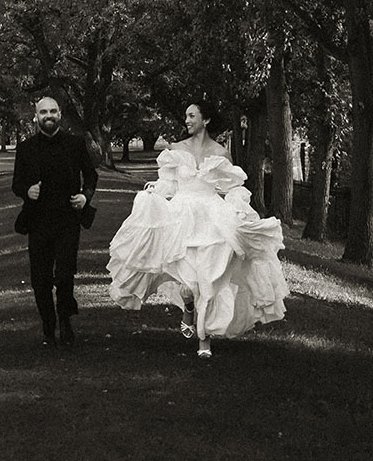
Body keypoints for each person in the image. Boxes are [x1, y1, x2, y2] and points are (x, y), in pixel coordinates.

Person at [107, 99, 287, 358]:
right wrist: (154, 193)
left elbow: (231, 186)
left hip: (212, 218)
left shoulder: (221, 153)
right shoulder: (176, 150)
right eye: (186, 116)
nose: (187, 120)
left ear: (207, 120)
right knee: (188, 283)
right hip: (181, 217)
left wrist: (238, 207)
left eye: (192, 116)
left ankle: (204, 338)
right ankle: (189, 308)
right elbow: (168, 184)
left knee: (210, 278)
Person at [12, 96, 98, 347]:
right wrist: (27, 191)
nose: (48, 116)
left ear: (60, 114)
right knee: (40, 280)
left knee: (64, 275)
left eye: (52, 111)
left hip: (68, 220)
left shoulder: (75, 144)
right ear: (36, 117)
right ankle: (48, 326)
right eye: (43, 112)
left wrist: (85, 195)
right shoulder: (26, 148)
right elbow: (16, 184)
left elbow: (91, 176)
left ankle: (65, 321)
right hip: (37, 221)